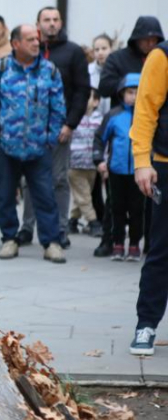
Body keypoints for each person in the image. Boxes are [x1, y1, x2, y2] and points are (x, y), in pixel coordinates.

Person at [0, 24, 66, 263]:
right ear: (15, 43)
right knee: (6, 195)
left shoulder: (49, 71)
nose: (36, 43)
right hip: (6, 148)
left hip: (39, 148)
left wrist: (51, 138)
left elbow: (58, 108)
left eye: (36, 39)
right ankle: (9, 239)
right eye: (29, 39)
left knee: (45, 196)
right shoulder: (1, 70)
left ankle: (51, 242)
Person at [18, 6, 91, 249]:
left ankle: (60, 229)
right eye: (46, 20)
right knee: (29, 180)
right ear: (37, 24)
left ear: (60, 23)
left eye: (55, 19)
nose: (51, 24)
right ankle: (27, 227)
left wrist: (70, 124)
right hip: (30, 130)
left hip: (61, 128)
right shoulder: (28, 51)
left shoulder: (73, 53)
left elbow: (82, 91)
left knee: (59, 179)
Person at [97, 16, 165, 258]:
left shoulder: (160, 56)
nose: (149, 43)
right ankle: (109, 240)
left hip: (154, 133)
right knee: (114, 204)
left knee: (143, 205)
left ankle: (141, 243)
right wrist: (134, 83)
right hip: (123, 129)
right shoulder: (119, 59)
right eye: (144, 39)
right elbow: (104, 87)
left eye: (153, 39)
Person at [128, 36, 168, 355]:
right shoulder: (162, 56)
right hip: (166, 165)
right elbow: (145, 111)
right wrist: (142, 161)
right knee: (161, 250)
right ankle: (146, 325)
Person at [95, 74, 142, 262]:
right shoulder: (113, 115)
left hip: (139, 172)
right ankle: (118, 243)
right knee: (117, 209)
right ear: (122, 94)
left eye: (138, 92)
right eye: (130, 92)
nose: (134, 96)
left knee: (138, 210)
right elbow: (99, 138)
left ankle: (134, 245)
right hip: (116, 171)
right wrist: (98, 159)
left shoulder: (148, 116)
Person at [69, 91, 104, 236]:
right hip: (75, 164)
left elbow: (103, 141)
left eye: (88, 97)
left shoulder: (100, 119)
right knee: (84, 195)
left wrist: (102, 160)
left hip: (92, 165)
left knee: (83, 195)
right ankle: (93, 222)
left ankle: (72, 221)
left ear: (96, 102)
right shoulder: (73, 118)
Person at [89, 34, 113, 114]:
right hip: (92, 120)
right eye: (97, 49)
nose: (100, 52)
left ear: (111, 49)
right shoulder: (88, 71)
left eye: (104, 48)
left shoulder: (118, 70)